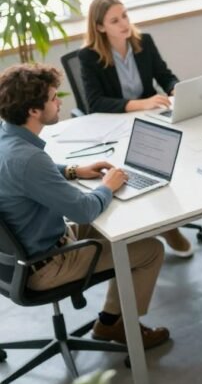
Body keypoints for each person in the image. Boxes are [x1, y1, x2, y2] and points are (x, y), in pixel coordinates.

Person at [0, 64, 170, 348]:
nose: (59, 103)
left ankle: (109, 320)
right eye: (53, 98)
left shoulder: (8, 140)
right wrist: (108, 186)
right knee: (150, 250)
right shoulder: (30, 159)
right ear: (33, 111)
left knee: (120, 228)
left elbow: (30, 174)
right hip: (46, 265)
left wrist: (74, 171)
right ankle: (120, 328)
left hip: (20, 256)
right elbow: (83, 210)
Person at [78, 0, 194, 258]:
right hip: (115, 127)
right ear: (99, 27)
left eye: (125, 15)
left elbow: (164, 75)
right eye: (115, 20)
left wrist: (176, 89)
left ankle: (167, 222)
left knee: (167, 165)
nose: (124, 24)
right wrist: (140, 104)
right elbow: (94, 103)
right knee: (137, 171)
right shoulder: (88, 56)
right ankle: (154, 228)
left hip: (150, 120)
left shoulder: (144, 42)